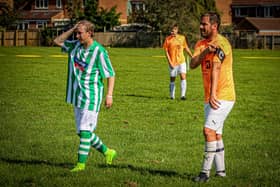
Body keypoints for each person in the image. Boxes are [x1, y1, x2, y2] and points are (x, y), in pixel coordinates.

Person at [53, 20, 117, 172]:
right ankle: (108, 152)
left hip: (92, 95)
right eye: (76, 32)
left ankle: (80, 165)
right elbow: (57, 41)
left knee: (84, 131)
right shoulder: (75, 46)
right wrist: (73, 28)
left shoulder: (99, 51)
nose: (77, 35)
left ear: (90, 33)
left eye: (80, 33)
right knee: (82, 133)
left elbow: (111, 74)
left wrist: (109, 95)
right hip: (77, 95)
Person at [190, 12, 235, 182]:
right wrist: (204, 53)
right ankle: (221, 172)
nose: (201, 27)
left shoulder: (222, 43)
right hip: (210, 96)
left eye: (204, 24)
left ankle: (204, 174)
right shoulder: (201, 44)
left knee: (208, 131)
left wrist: (213, 94)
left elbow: (216, 68)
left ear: (214, 26)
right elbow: (192, 64)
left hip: (223, 95)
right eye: (201, 24)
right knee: (215, 134)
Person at [163, 24, 193, 100]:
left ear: (177, 30)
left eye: (173, 31)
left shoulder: (182, 38)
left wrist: (192, 56)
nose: (171, 32)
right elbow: (166, 52)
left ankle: (183, 96)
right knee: (172, 79)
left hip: (181, 61)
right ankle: (172, 96)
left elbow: (186, 48)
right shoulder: (168, 39)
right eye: (171, 31)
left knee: (183, 77)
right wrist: (170, 62)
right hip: (173, 62)